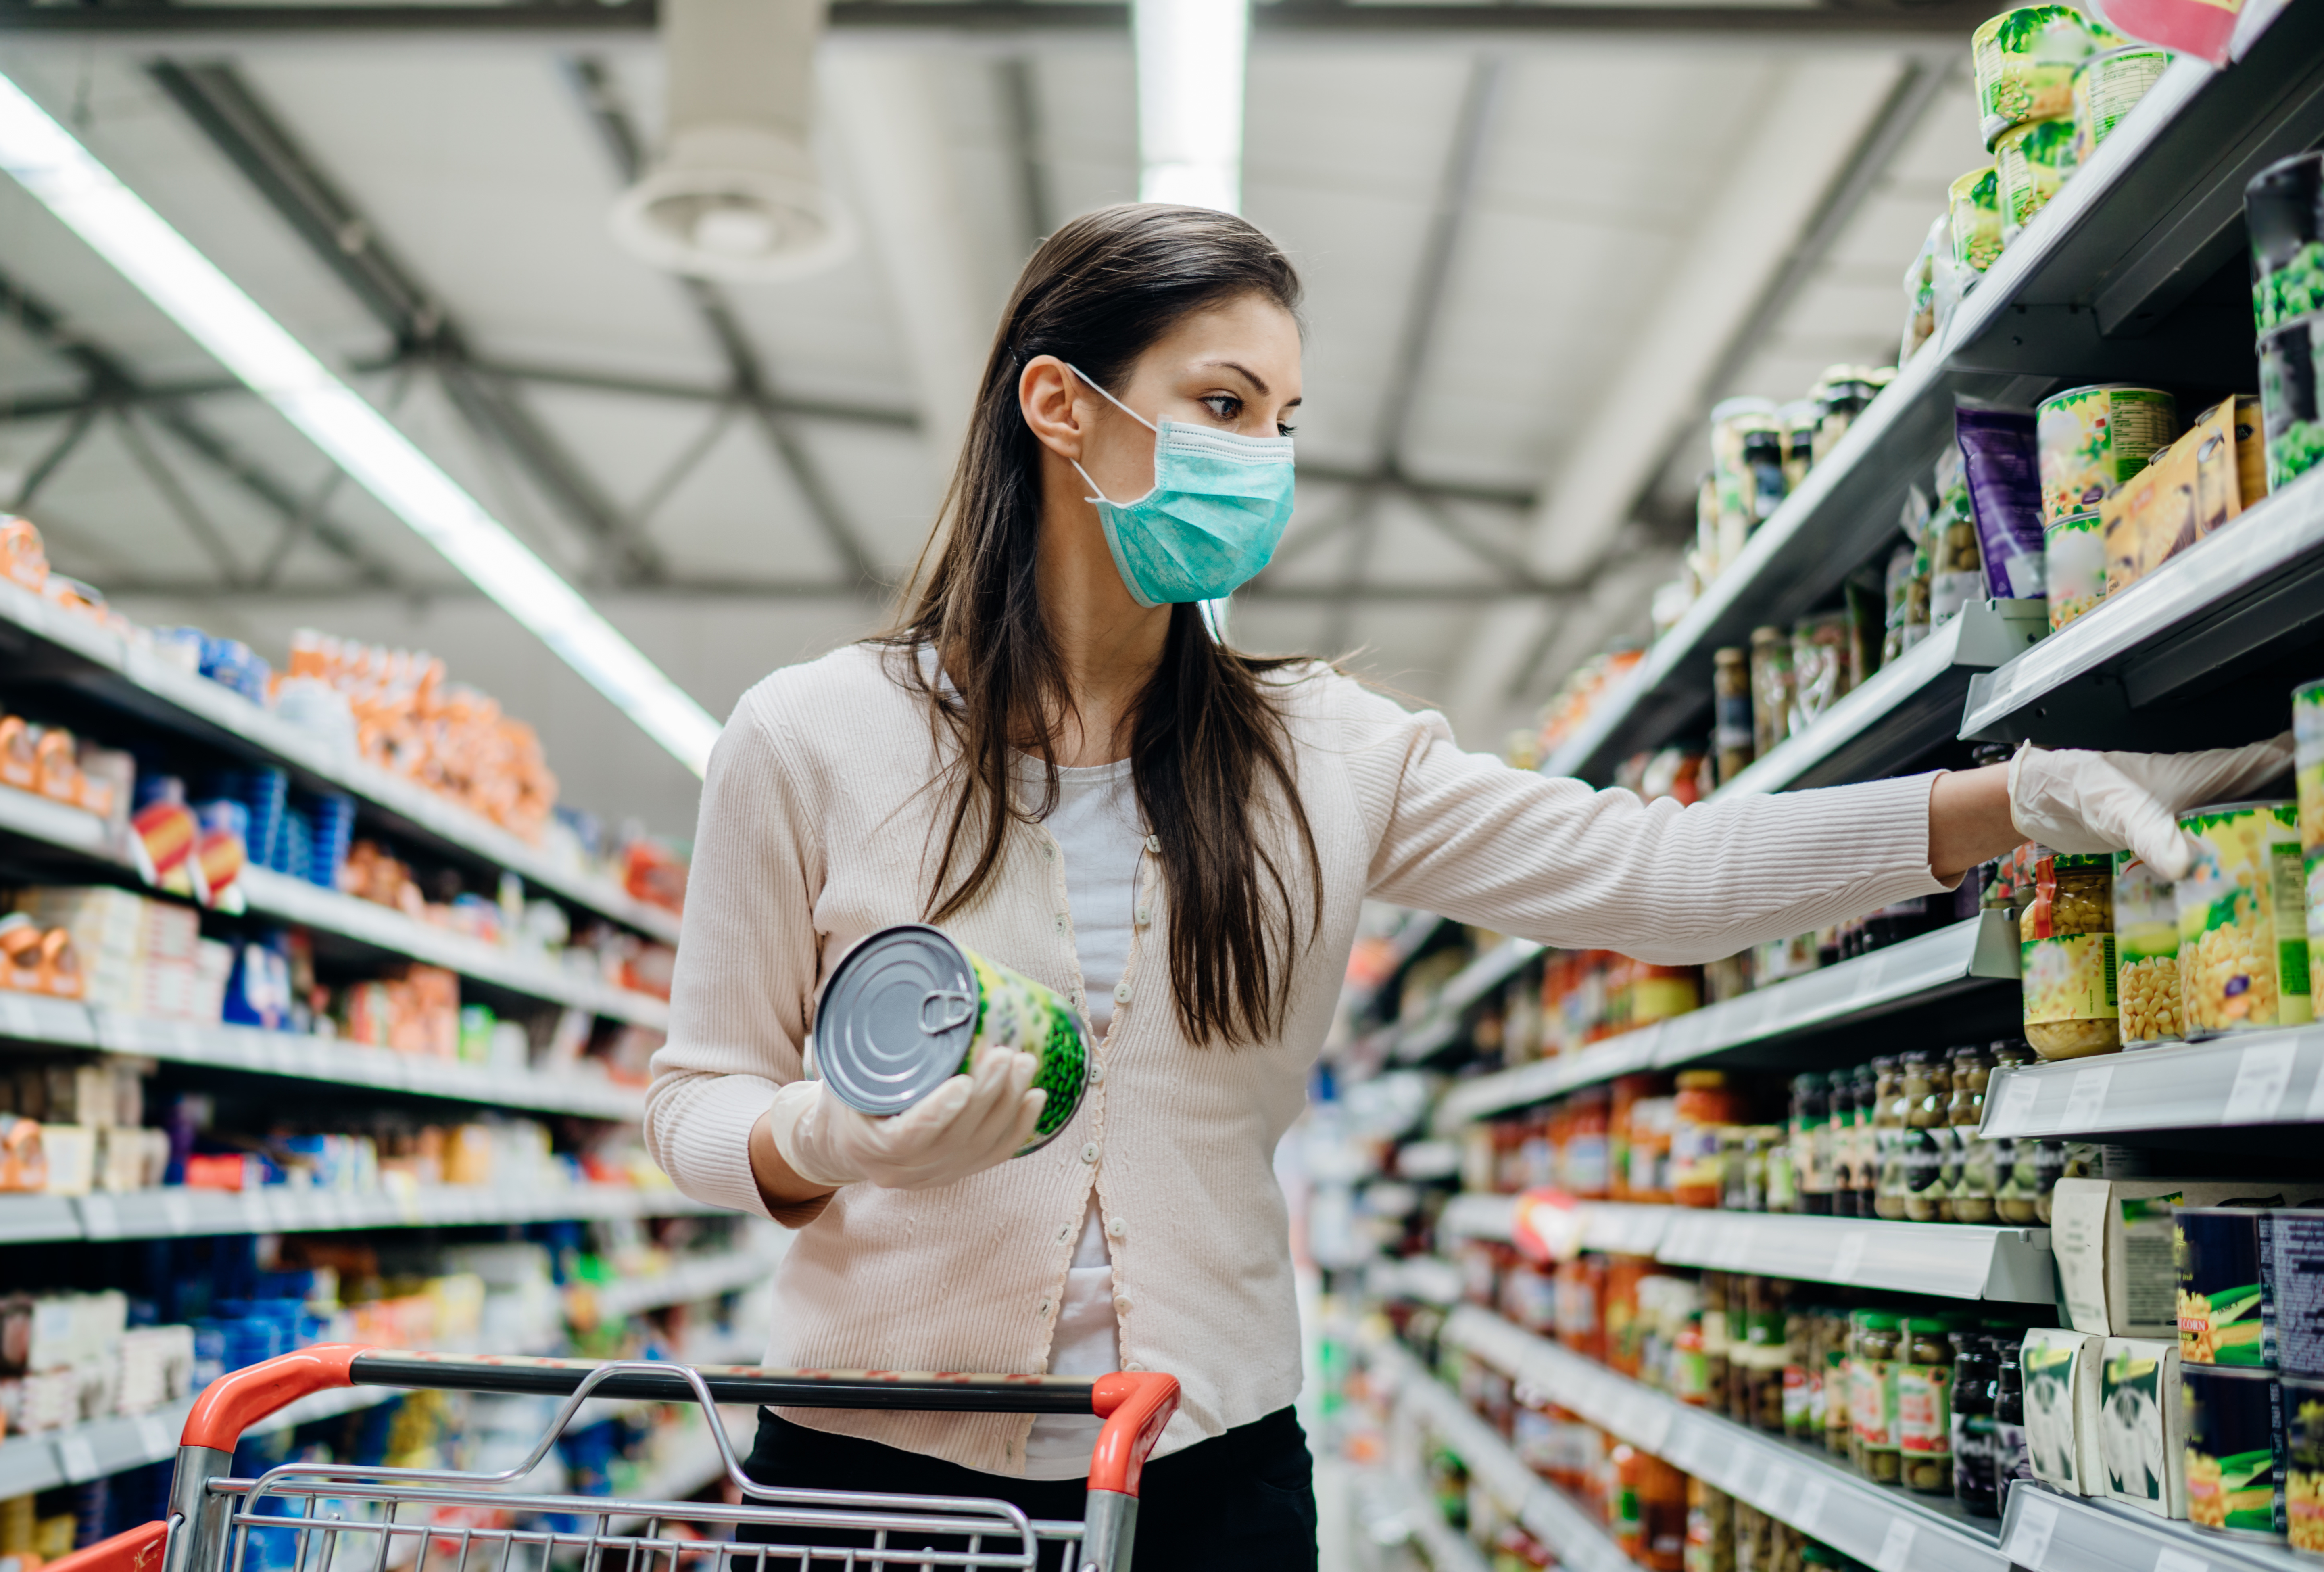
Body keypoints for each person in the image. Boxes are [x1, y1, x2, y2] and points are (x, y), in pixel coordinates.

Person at [645, 203, 2289, 1569]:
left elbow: (1662, 871)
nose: (1266, 466)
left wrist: (2011, 799)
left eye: (1285, 424)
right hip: (873, 1477)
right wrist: (820, 1137)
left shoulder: (1322, 751)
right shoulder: (810, 736)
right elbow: (695, 1094)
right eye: (1221, 408)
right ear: (1061, 405)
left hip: (1207, 1467)